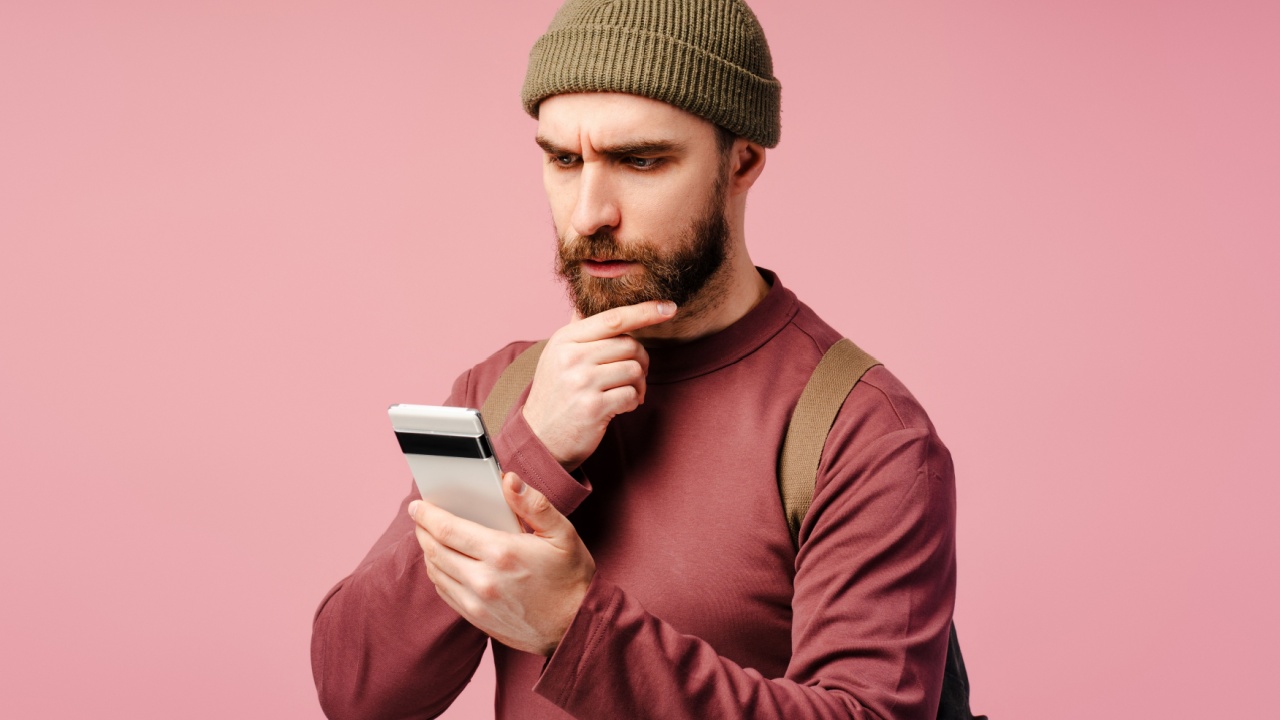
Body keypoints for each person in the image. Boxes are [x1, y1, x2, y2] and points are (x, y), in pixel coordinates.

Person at [311, 1, 957, 718]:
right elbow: (356, 693)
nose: (589, 212)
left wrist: (573, 625)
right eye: (563, 159)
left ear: (741, 161)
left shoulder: (864, 431)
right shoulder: (503, 391)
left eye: (640, 160)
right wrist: (530, 453)